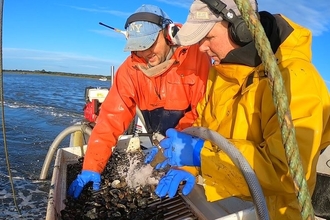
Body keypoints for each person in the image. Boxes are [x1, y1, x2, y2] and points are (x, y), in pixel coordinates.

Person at [146, 0, 330, 219]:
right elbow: (204, 128)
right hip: (227, 194)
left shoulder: (296, 79)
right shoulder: (222, 72)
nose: (201, 47)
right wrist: (189, 166)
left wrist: (199, 154)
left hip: (277, 211)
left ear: (240, 29)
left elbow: (287, 173)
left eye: (208, 37)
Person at [67, 4, 211, 199]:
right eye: (139, 47)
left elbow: (204, 113)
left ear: (169, 33)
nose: (145, 53)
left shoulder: (198, 55)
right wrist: (92, 166)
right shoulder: (129, 71)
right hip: (163, 143)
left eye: (150, 43)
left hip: (196, 147)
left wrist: (182, 155)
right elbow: (109, 120)